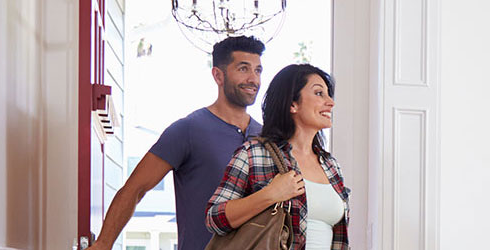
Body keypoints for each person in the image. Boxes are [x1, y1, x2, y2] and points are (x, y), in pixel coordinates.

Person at [87, 36, 266, 250]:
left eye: (258, 70)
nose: (253, 79)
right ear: (218, 75)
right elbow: (135, 188)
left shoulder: (266, 137)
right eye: (243, 69)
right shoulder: (188, 130)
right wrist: (103, 244)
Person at [206, 64, 350, 249]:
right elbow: (214, 218)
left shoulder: (330, 165)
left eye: (329, 95)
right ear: (292, 104)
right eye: (319, 93)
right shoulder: (254, 154)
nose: (331, 102)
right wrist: (270, 194)